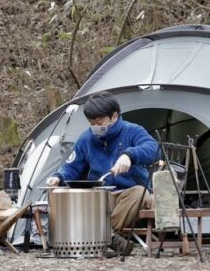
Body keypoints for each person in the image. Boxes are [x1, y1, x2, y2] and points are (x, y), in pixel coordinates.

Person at [45, 91, 158, 254]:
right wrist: (58, 177)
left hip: (127, 196)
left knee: (141, 193)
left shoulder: (133, 131)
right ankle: (108, 237)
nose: (96, 127)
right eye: (92, 123)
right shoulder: (86, 139)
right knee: (73, 194)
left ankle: (99, 234)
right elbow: (72, 166)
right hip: (98, 196)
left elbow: (153, 149)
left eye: (100, 122)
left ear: (114, 116)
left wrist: (129, 155)